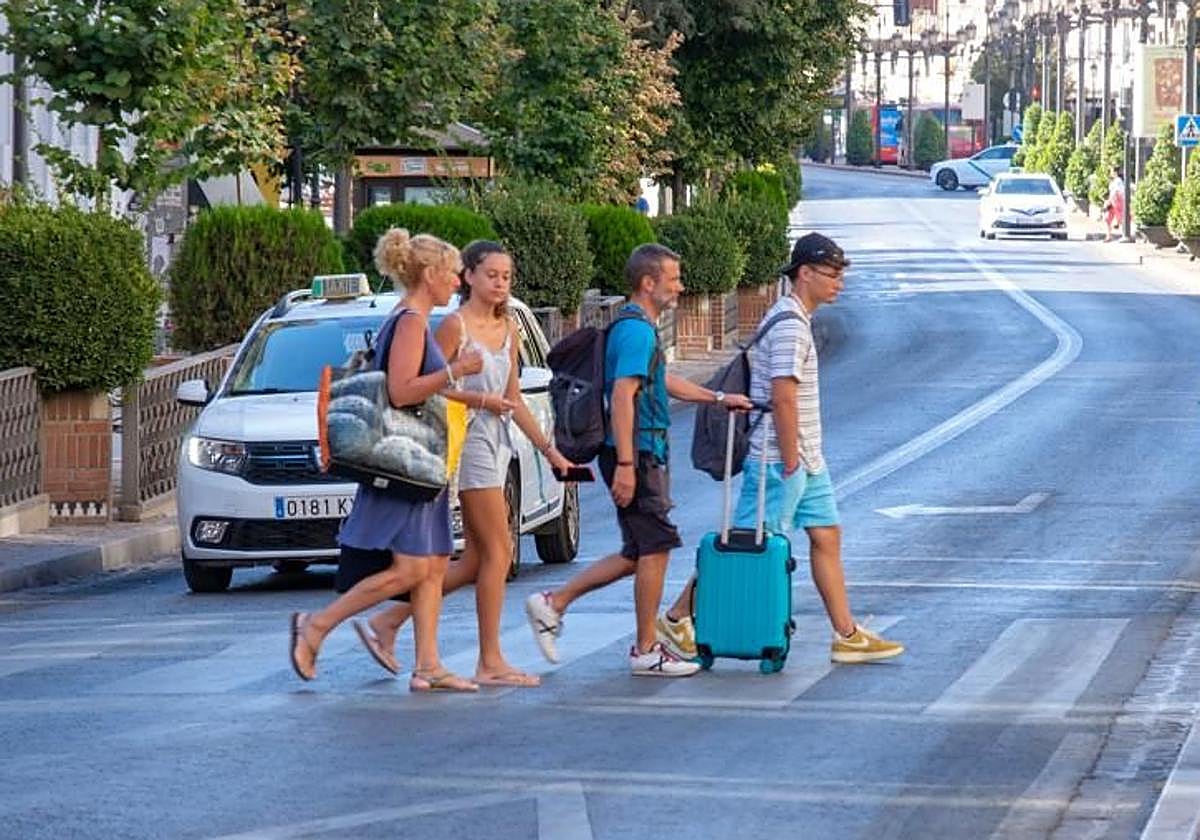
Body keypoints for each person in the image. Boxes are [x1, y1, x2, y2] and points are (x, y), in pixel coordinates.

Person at [524, 244, 753, 677]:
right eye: (674, 279)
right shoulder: (637, 332)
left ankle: (554, 603)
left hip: (639, 452)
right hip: (637, 454)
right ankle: (646, 649)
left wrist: (721, 397)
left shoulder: (638, 328)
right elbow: (623, 397)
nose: (680, 287)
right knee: (657, 545)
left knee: (637, 551)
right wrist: (627, 465)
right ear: (648, 283)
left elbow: (664, 384)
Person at [358, 240, 574, 688]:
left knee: (477, 560)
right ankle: (490, 659)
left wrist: (549, 450)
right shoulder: (453, 327)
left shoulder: (510, 329)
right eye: (491, 274)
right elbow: (429, 388)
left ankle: (390, 622)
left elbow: (513, 399)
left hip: (500, 441)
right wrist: (478, 397)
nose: (499, 284)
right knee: (500, 551)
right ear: (470, 277)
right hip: (470, 439)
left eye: (507, 277)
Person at [289, 228, 485, 692]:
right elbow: (400, 391)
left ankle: (429, 665)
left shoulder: (410, 318)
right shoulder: (412, 322)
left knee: (435, 562)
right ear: (431, 274)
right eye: (454, 275)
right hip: (403, 462)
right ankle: (316, 626)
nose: (458, 284)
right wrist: (458, 369)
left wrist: (469, 394)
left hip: (419, 459)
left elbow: (418, 388)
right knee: (414, 567)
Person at [1103, 166, 1125, 243]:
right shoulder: (1114, 181)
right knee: (1107, 218)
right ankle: (1108, 236)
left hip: (1117, 202)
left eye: (1111, 171)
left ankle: (1124, 235)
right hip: (1112, 202)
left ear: (1115, 172)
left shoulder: (1118, 181)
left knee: (1121, 219)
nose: (1110, 173)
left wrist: (1109, 201)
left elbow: (1117, 192)